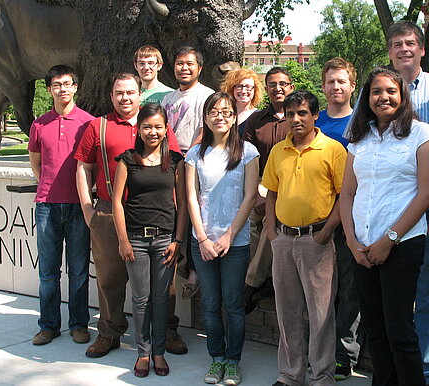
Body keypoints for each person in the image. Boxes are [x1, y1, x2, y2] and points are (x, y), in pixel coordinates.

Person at [340, 66, 429, 386]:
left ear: (402, 95)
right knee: (375, 329)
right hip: (362, 248)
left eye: (390, 91)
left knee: (400, 330)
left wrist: (389, 240)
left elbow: (426, 194)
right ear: (367, 98)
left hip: (402, 246)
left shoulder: (422, 135)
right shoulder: (359, 139)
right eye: (376, 91)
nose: (383, 97)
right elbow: (347, 194)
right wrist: (353, 242)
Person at [75, 73, 184, 358]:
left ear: (140, 95)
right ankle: (109, 332)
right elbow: (84, 167)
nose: (125, 97)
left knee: (164, 281)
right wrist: (88, 208)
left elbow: (174, 168)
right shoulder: (98, 126)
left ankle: (166, 330)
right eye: (119, 92)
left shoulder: (157, 125)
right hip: (110, 212)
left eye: (130, 92)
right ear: (111, 96)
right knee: (109, 277)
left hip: (155, 214)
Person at [387, 20, 429, 386]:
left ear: (422, 49)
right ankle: (397, 364)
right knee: (395, 288)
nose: (404, 49)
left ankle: (428, 370)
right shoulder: (379, 89)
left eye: (410, 43)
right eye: (397, 43)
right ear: (390, 52)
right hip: (390, 206)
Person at [262, 90, 346, 386]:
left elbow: (344, 196)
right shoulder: (278, 151)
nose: (296, 119)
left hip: (317, 241)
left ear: (315, 116)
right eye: (290, 114)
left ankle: (322, 376)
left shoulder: (333, 149)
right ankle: (290, 375)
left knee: (321, 314)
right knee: (287, 312)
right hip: (284, 240)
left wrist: (326, 232)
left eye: (302, 113)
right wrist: (271, 233)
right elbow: (271, 192)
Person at [185, 92, 259, 385]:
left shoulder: (248, 152)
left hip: (235, 243)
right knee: (210, 303)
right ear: (205, 117)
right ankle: (216, 358)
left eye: (227, 112)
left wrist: (229, 235)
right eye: (214, 112)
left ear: (234, 117)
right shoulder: (195, 154)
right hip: (202, 241)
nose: (220, 117)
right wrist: (202, 238)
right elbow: (191, 197)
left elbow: (250, 196)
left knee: (234, 304)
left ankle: (233, 361)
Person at [112, 103, 187, 377]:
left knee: (161, 299)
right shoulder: (127, 160)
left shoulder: (176, 161)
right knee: (141, 299)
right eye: (147, 127)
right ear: (139, 129)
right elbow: (117, 202)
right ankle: (143, 353)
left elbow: (182, 204)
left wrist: (178, 240)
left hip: (165, 239)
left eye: (158, 127)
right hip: (136, 240)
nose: (152, 132)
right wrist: (123, 240)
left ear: (166, 129)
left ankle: (159, 352)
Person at [29, 65, 94, 346]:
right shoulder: (39, 124)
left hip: (79, 205)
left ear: (75, 87)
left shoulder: (89, 123)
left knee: (78, 270)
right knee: (48, 271)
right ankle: (49, 326)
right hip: (47, 205)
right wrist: (47, 184)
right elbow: (35, 162)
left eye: (67, 84)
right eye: (56, 85)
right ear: (49, 90)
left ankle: (79, 325)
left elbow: (92, 165)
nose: (62, 89)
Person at [316, 57, 360, 381]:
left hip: (351, 219)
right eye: (330, 81)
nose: (336, 87)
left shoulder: (362, 123)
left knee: (349, 291)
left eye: (341, 81)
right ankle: (319, 351)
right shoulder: (314, 121)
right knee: (320, 292)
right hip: (315, 219)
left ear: (352, 86)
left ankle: (344, 354)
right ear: (323, 86)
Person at [162, 46, 215, 300]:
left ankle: (194, 270)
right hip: (168, 161)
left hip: (193, 160)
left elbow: (206, 130)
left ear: (199, 68)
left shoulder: (206, 95)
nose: (184, 68)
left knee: (194, 213)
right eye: (179, 63)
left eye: (189, 64)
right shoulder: (167, 99)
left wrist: (187, 159)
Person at [242, 67, 294, 313]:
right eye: (272, 84)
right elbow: (247, 157)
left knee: (268, 225)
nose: (278, 88)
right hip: (260, 180)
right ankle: (264, 277)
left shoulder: (297, 116)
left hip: (289, 184)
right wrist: (255, 193)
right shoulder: (256, 120)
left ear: (291, 87)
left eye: (282, 84)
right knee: (250, 223)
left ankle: (252, 283)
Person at [221, 68, 264, 136]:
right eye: (239, 86)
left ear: (255, 90)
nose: (243, 91)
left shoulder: (260, 117)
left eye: (248, 87)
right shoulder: (223, 115)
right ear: (232, 89)